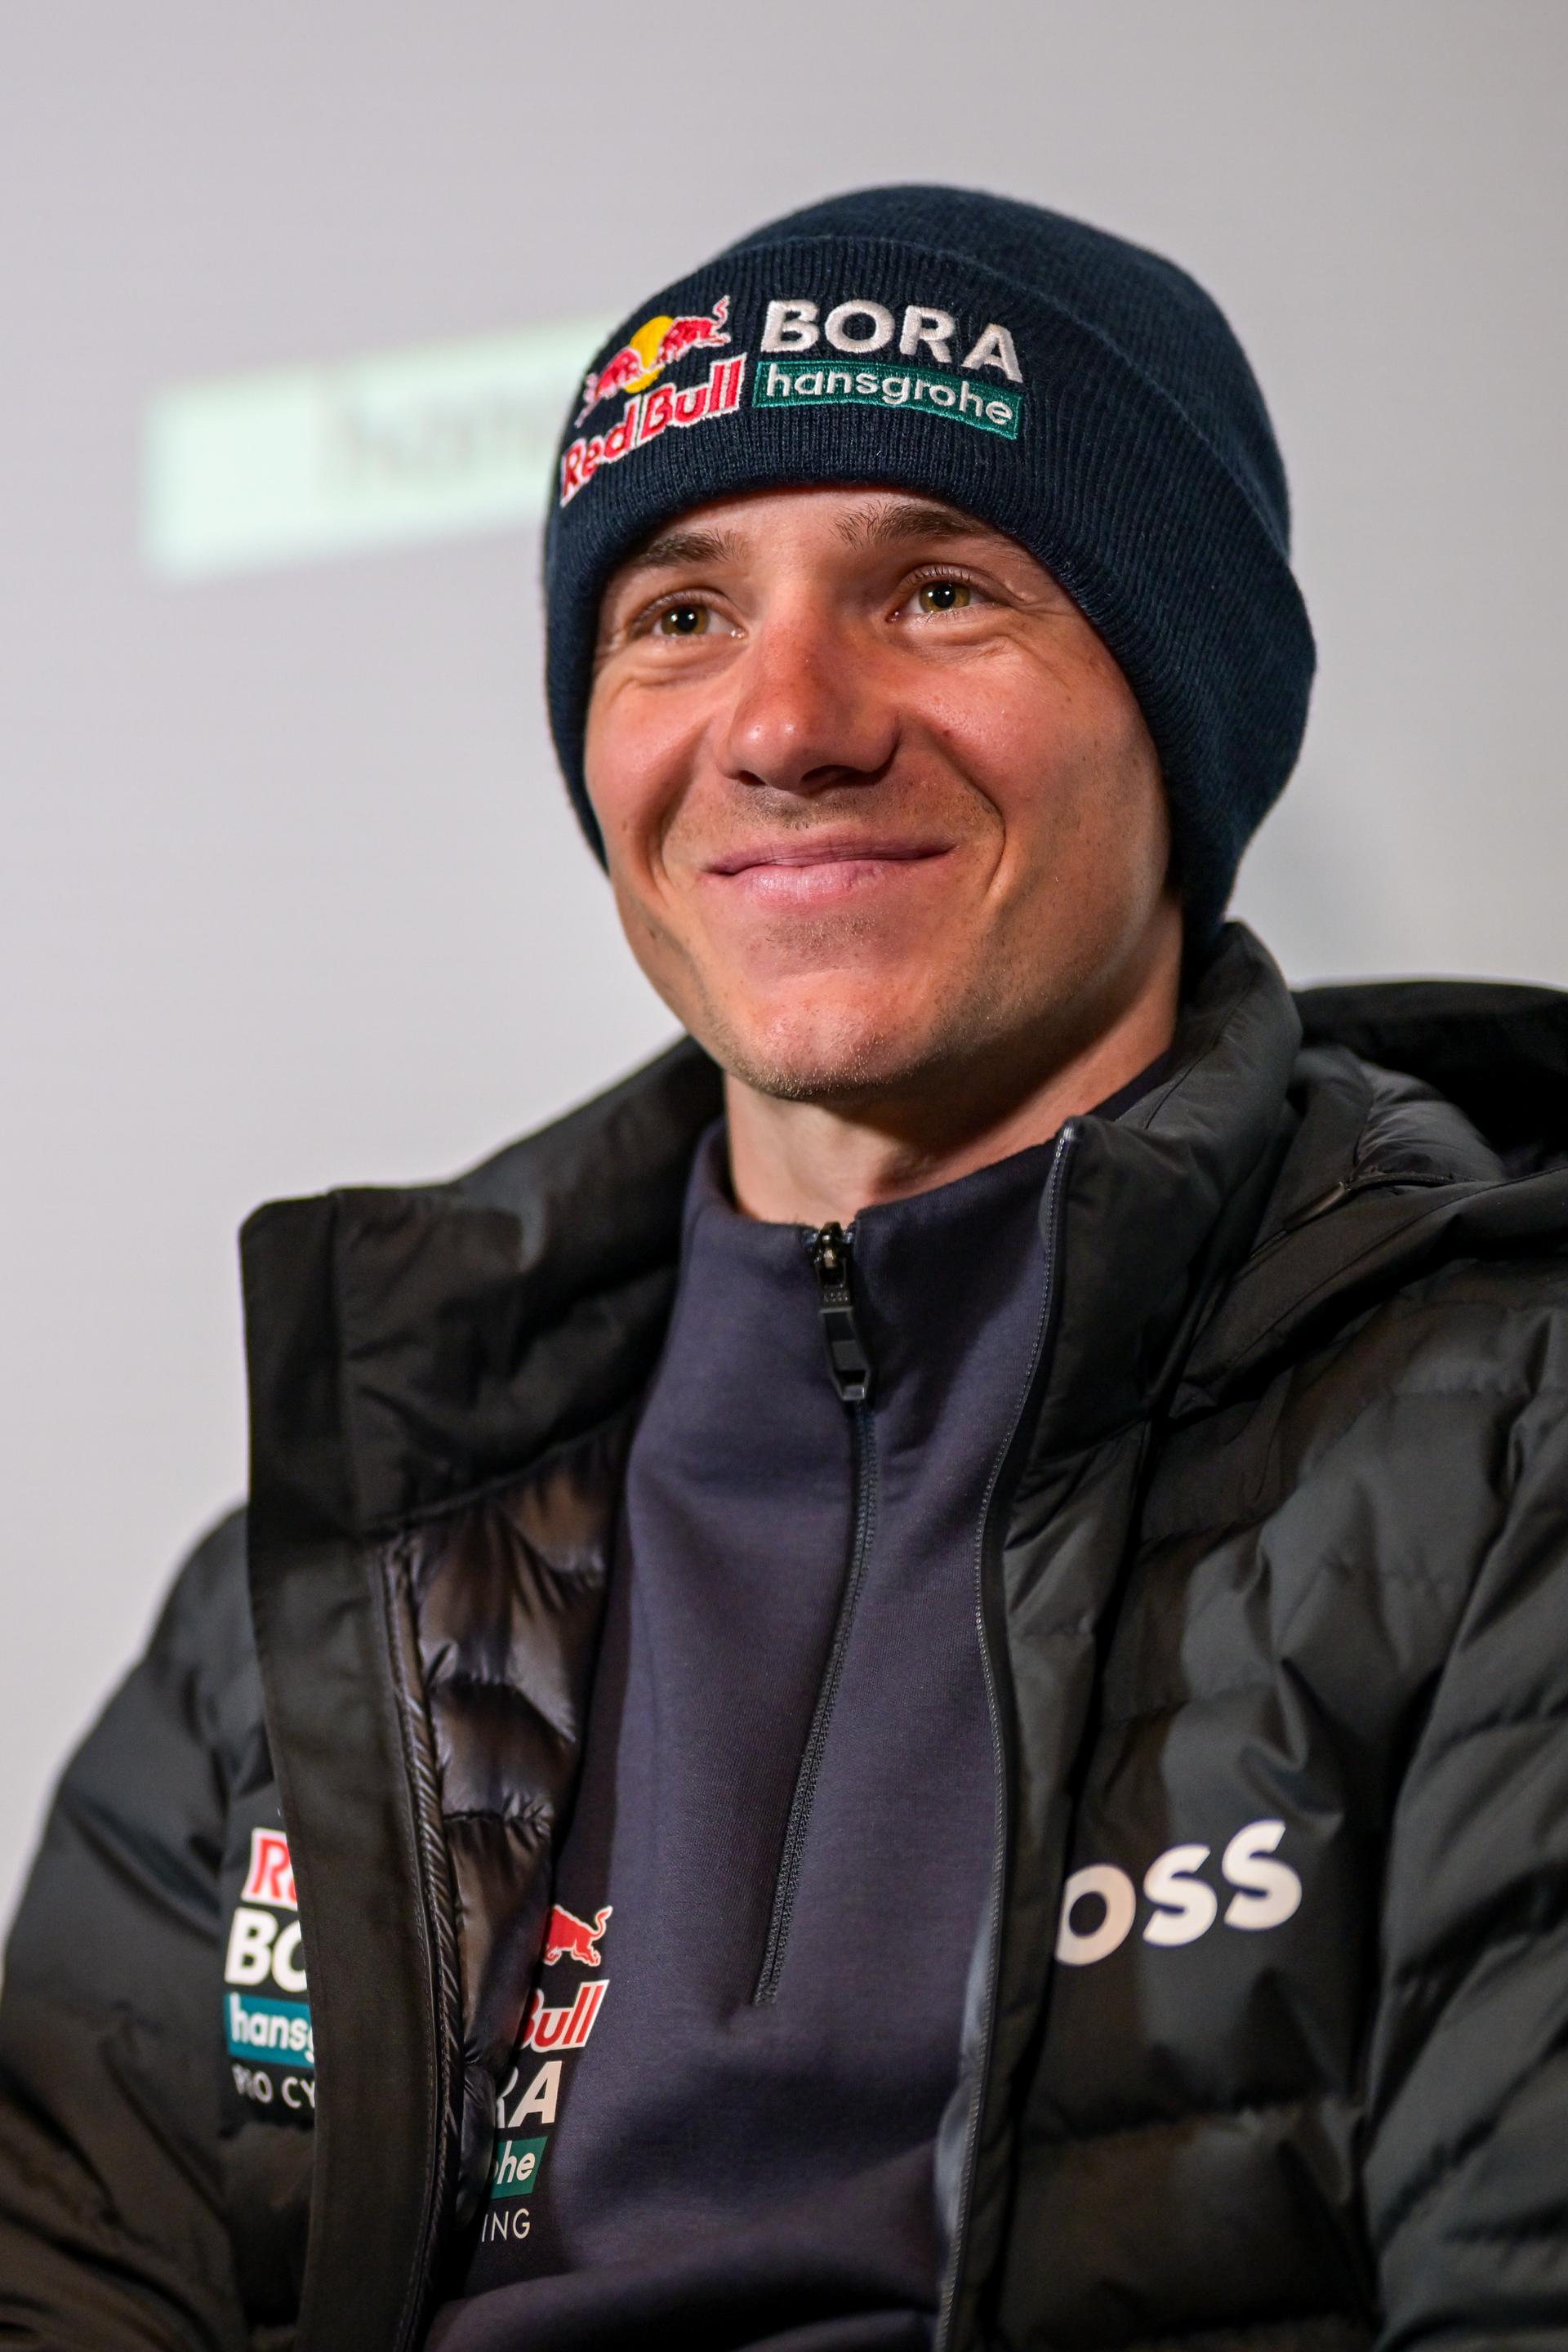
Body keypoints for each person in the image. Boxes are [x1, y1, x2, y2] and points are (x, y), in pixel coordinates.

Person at [4, 182, 1568, 2352]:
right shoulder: (335, 1582)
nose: (788, 720)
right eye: (676, 614)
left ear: (1183, 717)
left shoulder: (1513, 1439)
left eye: (939, 590)